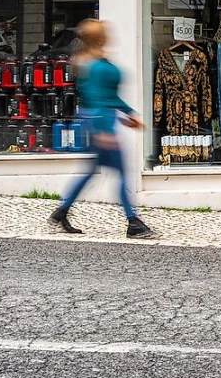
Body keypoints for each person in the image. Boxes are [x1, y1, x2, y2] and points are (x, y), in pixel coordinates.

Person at [49, 19, 154, 239]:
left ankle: (61, 211)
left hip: (99, 121)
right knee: (121, 173)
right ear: (100, 38)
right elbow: (98, 99)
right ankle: (133, 222)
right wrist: (104, 130)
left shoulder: (91, 62)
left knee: (91, 172)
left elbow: (108, 97)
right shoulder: (95, 66)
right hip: (102, 123)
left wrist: (129, 113)